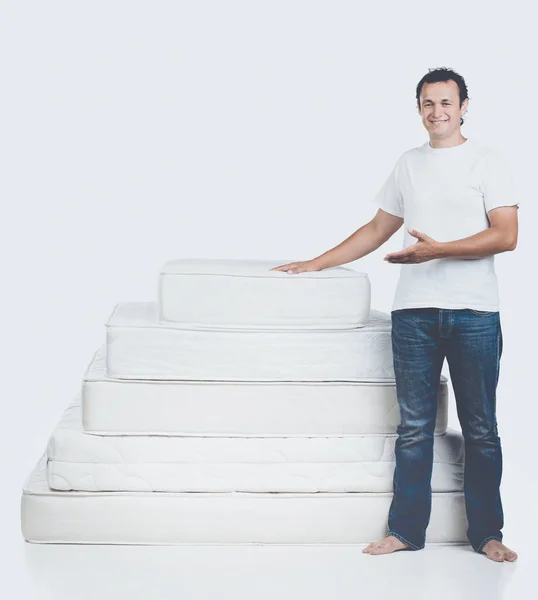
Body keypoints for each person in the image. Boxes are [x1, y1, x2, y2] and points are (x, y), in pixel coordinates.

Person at [270, 67, 519, 562]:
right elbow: (378, 228)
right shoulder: (409, 163)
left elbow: (505, 235)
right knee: (413, 428)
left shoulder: (489, 161)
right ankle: (405, 531)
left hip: (474, 315)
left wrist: (439, 251)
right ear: (419, 109)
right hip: (414, 316)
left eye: (446, 102)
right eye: (428, 103)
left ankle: (487, 533)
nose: (437, 112)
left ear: (464, 106)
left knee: (481, 428)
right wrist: (317, 261)